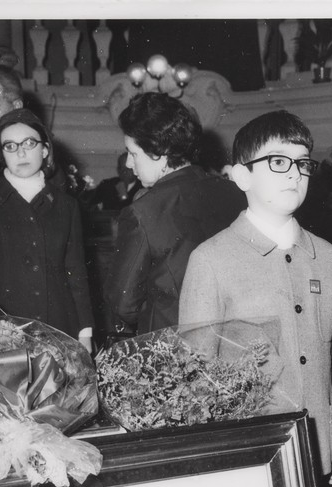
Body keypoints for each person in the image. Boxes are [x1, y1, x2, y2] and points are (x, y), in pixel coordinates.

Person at [179, 110, 332, 487]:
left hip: (320, 444)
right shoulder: (211, 260)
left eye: (302, 163)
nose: (294, 174)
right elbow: (196, 377)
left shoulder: (327, 257)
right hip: (249, 458)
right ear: (242, 176)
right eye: (278, 161)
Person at [105, 92, 246, 334]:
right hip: (231, 338)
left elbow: (123, 304)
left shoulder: (142, 212)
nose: (128, 163)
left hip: (170, 344)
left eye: (133, 153)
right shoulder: (235, 194)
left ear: (158, 152)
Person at [0, 109, 93, 352]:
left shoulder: (66, 205)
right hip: (2, 331)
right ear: (1, 154)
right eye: (10, 146)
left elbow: (76, 273)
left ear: (45, 149)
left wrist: (85, 332)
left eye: (29, 143)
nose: (20, 153)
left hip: (59, 327)